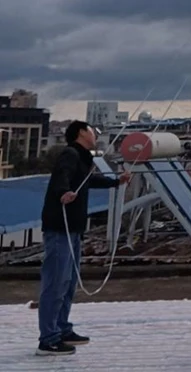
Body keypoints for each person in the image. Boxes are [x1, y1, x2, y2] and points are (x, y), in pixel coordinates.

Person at [36, 121, 130, 356]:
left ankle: (62, 328)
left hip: (74, 228)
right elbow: (62, 176)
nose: (95, 135)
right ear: (80, 133)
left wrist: (116, 181)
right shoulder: (69, 154)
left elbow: (88, 182)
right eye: (91, 131)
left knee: (68, 283)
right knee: (56, 283)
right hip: (60, 227)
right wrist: (62, 193)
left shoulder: (82, 158)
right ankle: (48, 338)